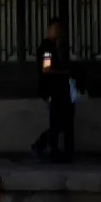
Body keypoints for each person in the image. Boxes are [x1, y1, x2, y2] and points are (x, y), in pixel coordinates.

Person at [31, 17, 76, 163]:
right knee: (58, 122)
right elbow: (47, 68)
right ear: (49, 29)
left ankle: (53, 150)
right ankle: (42, 145)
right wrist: (64, 72)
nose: (58, 32)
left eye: (59, 29)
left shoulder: (53, 47)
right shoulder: (47, 48)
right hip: (52, 90)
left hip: (57, 90)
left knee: (60, 122)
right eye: (55, 29)